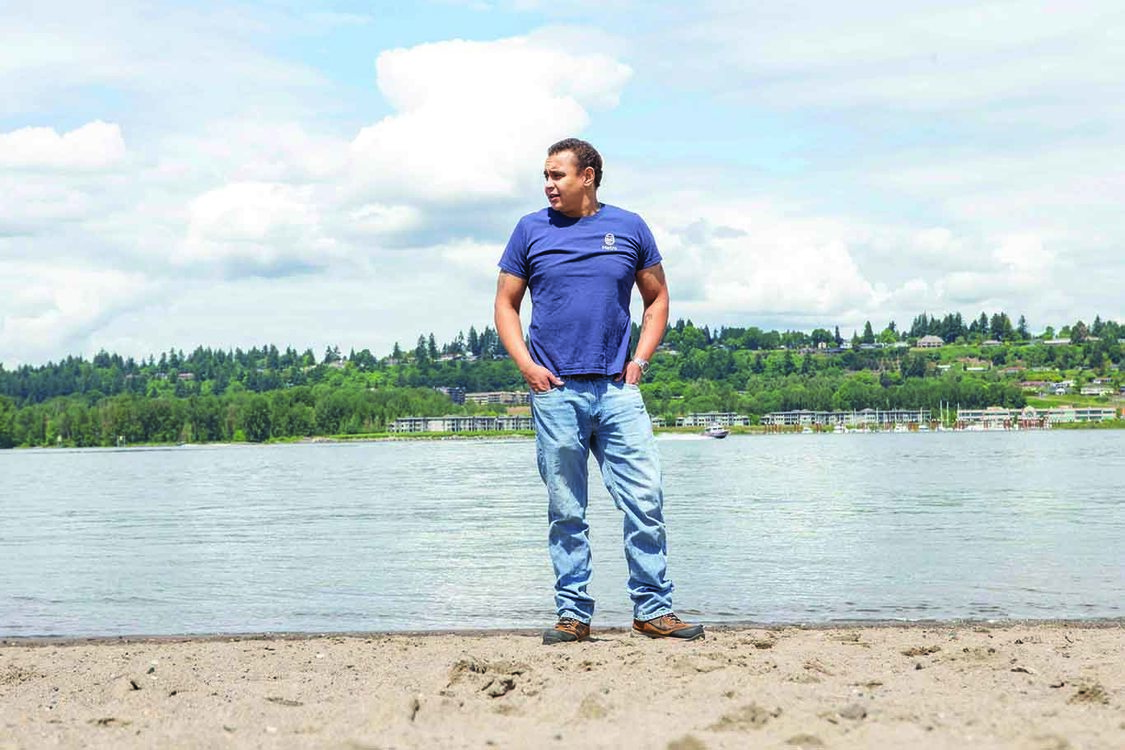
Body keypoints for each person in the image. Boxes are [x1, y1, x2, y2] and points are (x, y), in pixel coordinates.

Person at [494, 137, 704, 644]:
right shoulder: (529, 230)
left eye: (557, 175)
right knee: (566, 509)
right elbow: (505, 304)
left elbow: (656, 299)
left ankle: (652, 610)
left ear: (587, 176)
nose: (549, 185)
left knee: (644, 500)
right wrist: (527, 367)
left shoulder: (629, 227)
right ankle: (573, 614)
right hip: (556, 391)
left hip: (617, 390)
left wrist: (640, 361)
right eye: (545, 176)